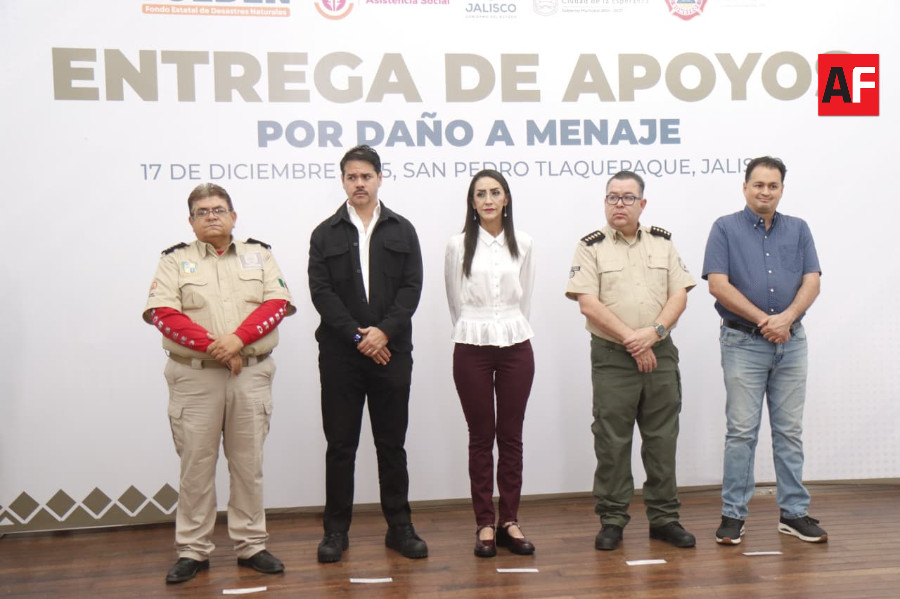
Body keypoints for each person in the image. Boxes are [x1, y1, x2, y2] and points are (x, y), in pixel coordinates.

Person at [143, 183, 296, 584]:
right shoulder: (174, 261)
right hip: (194, 379)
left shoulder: (259, 254)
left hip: (250, 376)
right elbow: (163, 313)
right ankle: (193, 550)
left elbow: (276, 304)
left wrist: (238, 341)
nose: (212, 216)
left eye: (219, 209)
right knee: (195, 466)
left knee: (249, 465)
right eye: (202, 211)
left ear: (233, 216)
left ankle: (251, 545)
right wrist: (218, 347)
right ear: (190, 221)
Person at [565, 171, 696, 551]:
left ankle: (664, 518)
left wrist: (652, 334)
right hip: (613, 357)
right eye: (612, 197)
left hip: (661, 353)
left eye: (627, 198)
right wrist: (633, 340)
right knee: (612, 441)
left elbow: (680, 295)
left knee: (661, 439)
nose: (618, 204)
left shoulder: (662, 243)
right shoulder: (589, 246)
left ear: (642, 203)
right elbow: (587, 302)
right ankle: (612, 519)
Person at [308, 145, 427, 563]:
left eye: (366, 176)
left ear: (379, 178)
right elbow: (321, 293)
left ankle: (400, 527)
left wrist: (383, 334)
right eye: (351, 176)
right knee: (341, 446)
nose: (359, 183)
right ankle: (335, 532)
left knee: (391, 444)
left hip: (392, 353)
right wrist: (360, 338)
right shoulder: (325, 233)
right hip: (341, 357)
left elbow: (411, 288)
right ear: (342, 181)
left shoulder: (403, 229)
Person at [702, 156, 826, 545]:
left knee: (789, 431)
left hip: (792, 341)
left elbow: (812, 281)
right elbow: (718, 285)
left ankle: (793, 513)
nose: (765, 192)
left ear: (782, 189)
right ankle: (733, 515)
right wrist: (765, 320)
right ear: (745, 187)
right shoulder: (724, 228)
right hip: (742, 343)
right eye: (758, 185)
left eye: (773, 186)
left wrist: (786, 318)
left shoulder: (799, 229)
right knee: (741, 432)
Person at [444, 170, 536, 558]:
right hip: (471, 344)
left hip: (516, 345)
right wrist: (475, 327)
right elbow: (453, 299)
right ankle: (484, 521)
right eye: (480, 193)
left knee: (510, 436)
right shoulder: (457, 245)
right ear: (472, 202)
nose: (488, 199)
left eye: (495, 192)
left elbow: (526, 295)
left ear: (507, 199)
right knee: (481, 437)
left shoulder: (525, 243)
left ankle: (509, 521)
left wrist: (508, 327)